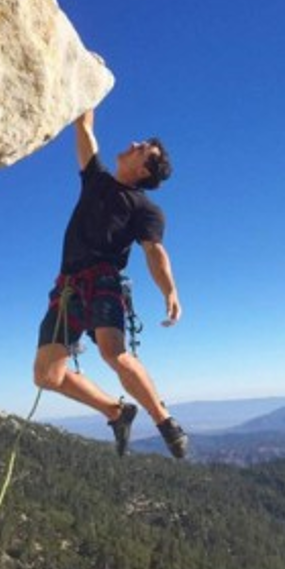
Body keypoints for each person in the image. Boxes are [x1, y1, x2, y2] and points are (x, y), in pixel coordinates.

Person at [32, 108, 189, 459]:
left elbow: (154, 252)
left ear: (144, 170)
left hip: (103, 279)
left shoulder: (145, 209)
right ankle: (116, 412)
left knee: (112, 352)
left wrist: (170, 290)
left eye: (143, 148)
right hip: (67, 285)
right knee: (46, 376)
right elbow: (84, 128)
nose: (134, 143)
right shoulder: (96, 180)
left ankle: (164, 420)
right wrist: (86, 91)